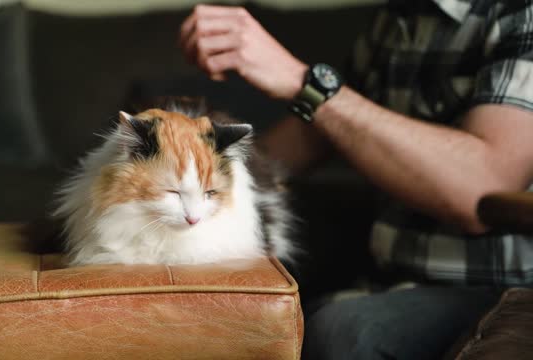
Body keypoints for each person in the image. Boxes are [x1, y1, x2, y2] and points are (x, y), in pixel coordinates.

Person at [179, 1, 533, 359]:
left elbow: (483, 187)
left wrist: (304, 83)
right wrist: (189, 168)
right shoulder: (397, 17)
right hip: (387, 281)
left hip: (498, 289)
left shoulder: (521, 13)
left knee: (343, 331)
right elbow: (325, 130)